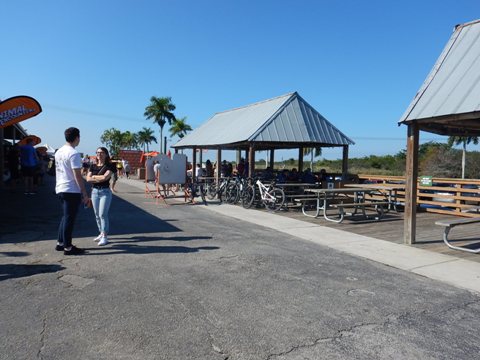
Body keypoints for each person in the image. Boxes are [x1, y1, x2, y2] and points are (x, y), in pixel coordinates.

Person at [55, 127, 90, 255]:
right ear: (77, 138)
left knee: (65, 217)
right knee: (69, 218)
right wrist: (84, 193)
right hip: (71, 189)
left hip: (60, 187)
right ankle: (68, 247)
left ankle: (60, 243)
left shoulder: (59, 152)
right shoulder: (74, 153)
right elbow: (77, 175)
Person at [87, 147, 116, 246]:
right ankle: (101, 232)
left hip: (105, 192)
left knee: (102, 214)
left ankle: (104, 236)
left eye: (102, 152)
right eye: (98, 152)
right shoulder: (93, 166)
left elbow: (105, 177)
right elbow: (87, 179)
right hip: (94, 192)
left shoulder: (110, 166)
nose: (99, 154)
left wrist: (94, 177)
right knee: (96, 214)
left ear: (106, 154)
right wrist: (96, 178)